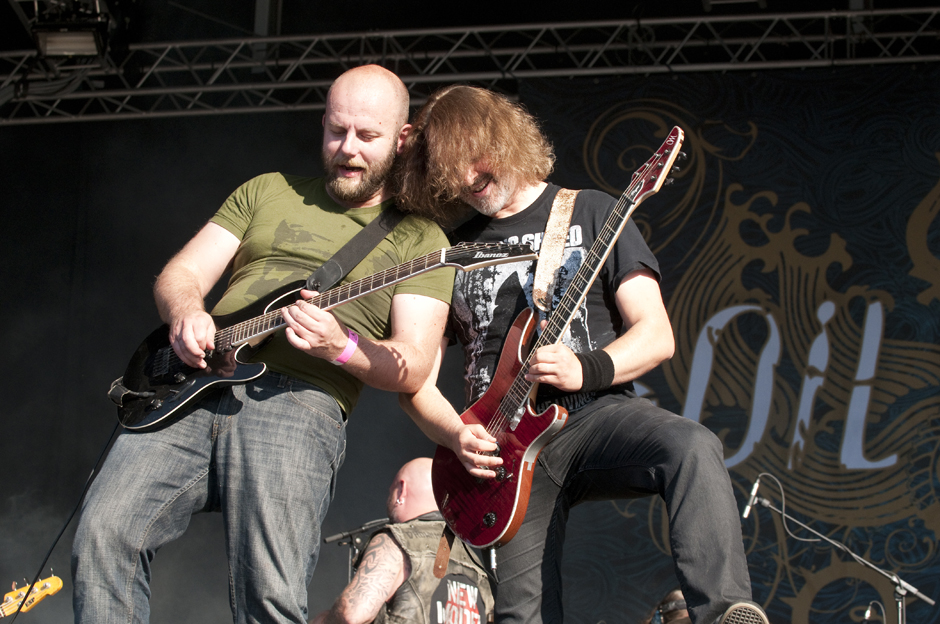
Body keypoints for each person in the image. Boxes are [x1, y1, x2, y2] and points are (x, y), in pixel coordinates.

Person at [71, 65, 454, 624]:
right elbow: (180, 273)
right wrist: (187, 314)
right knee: (103, 531)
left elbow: (413, 364)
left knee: (268, 592)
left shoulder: (422, 238)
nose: (347, 149)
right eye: (336, 131)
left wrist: (340, 347)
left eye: (367, 137)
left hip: (300, 402)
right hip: (190, 387)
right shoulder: (266, 191)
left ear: (402, 139)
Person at [394, 85, 769, 624]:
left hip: (594, 415)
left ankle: (723, 612)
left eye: (477, 165)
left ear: (506, 141)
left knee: (691, 445)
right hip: (499, 451)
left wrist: (584, 367)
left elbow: (656, 334)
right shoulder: (451, 249)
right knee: (524, 615)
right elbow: (415, 380)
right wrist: (455, 434)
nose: (468, 183)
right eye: (452, 172)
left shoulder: (593, 212)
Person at [311, 457, 494, 624]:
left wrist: (322, 621)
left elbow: (351, 615)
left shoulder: (397, 541)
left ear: (401, 490)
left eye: (390, 491)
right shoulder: (477, 566)